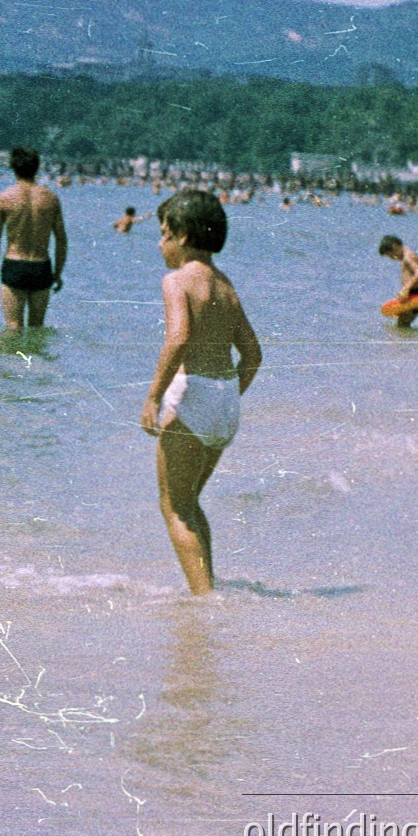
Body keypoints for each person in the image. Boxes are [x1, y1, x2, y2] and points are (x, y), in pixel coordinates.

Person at [140, 190, 262, 596]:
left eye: (163, 234)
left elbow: (178, 339)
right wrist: (227, 396)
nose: (160, 244)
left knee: (174, 507)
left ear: (184, 236)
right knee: (190, 502)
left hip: (196, 398)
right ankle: (208, 589)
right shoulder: (225, 285)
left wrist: (154, 396)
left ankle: (205, 603)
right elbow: (253, 354)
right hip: (226, 401)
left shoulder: (176, 280)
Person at [0, 146, 68, 330]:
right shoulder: (51, 198)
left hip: (15, 265)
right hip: (41, 266)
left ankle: (11, 360)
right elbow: (61, 240)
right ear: (37, 167)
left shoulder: (4, 198)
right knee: (37, 328)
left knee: (13, 328)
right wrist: (58, 273)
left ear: (13, 167)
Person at [378, 234, 418, 327]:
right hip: (416, 293)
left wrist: (406, 289)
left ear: (395, 246)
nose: (392, 258)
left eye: (391, 255)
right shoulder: (411, 255)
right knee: (404, 326)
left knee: (402, 325)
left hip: (412, 295)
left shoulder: (408, 257)